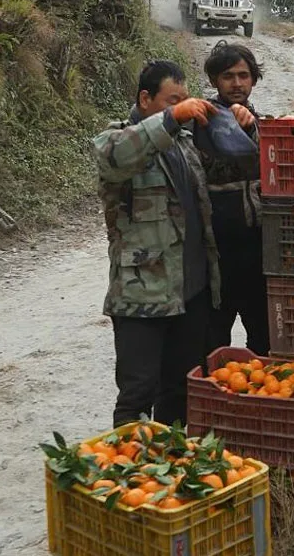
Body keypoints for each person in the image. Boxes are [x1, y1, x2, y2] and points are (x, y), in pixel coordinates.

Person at [93, 60, 222, 428]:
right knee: (137, 397)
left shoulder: (184, 143)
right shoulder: (117, 141)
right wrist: (172, 118)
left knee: (181, 391)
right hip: (142, 297)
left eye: (183, 100)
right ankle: (132, 477)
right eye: (171, 101)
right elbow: (114, 158)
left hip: (189, 292)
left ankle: (171, 470)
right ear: (145, 99)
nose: (179, 108)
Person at [195, 42, 270, 355]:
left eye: (243, 75)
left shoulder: (265, 124)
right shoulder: (199, 123)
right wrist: (229, 127)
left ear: (253, 79)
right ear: (214, 80)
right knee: (211, 343)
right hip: (215, 256)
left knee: (264, 341)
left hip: (258, 252)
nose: (237, 83)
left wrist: (253, 130)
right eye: (228, 76)